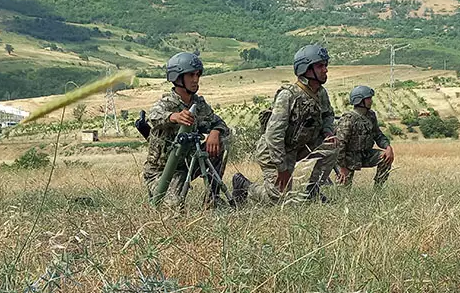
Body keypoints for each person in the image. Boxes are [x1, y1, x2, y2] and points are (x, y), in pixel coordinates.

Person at [233, 44, 338, 204]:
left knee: (332, 145)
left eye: (325, 65)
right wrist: (282, 168)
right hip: (274, 153)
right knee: (279, 200)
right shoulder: (288, 96)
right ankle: (245, 187)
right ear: (306, 69)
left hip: (298, 148)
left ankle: (313, 191)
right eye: (320, 66)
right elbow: (274, 135)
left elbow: (328, 115)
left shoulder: (321, 93)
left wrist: (328, 132)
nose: (325, 70)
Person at [142, 52, 229, 207]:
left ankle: (212, 198)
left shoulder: (199, 105)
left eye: (197, 75)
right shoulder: (167, 103)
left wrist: (215, 132)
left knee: (221, 141)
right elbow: (153, 115)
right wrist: (173, 117)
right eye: (190, 75)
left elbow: (219, 123)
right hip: (161, 172)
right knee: (173, 207)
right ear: (177, 78)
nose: (195, 80)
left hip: (187, 165)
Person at [336, 85, 394, 187]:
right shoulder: (348, 119)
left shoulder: (371, 116)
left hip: (365, 154)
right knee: (343, 190)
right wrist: (342, 167)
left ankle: (378, 190)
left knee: (385, 158)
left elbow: (378, 135)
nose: (371, 101)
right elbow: (339, 145)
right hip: (348, 158)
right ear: (360, 100)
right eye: (369, 98)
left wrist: (388, 147)